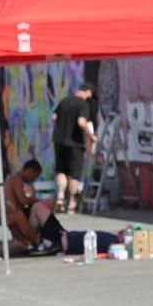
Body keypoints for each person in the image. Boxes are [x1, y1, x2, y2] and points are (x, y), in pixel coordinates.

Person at [52, 83, 97, 212]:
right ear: (88, 92)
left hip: (59, 141)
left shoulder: (64, 101)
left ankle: (60, 196)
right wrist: (91, 135)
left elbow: (54, 117)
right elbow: (81, 122)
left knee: (61, 171)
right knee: (75, 175)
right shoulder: (83, 104)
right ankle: (72, 203)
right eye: (91, 96)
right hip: (75, 144)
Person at [3, 159, 57, 252]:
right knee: (32, 211)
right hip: (13, 214)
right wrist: (36, 200)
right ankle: (37, 241)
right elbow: (23, 200)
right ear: (29, 170)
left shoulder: (12, 178)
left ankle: (30, 242)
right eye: (34, 176)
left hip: (11, 213)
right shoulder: (16, 179)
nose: (33, 180)